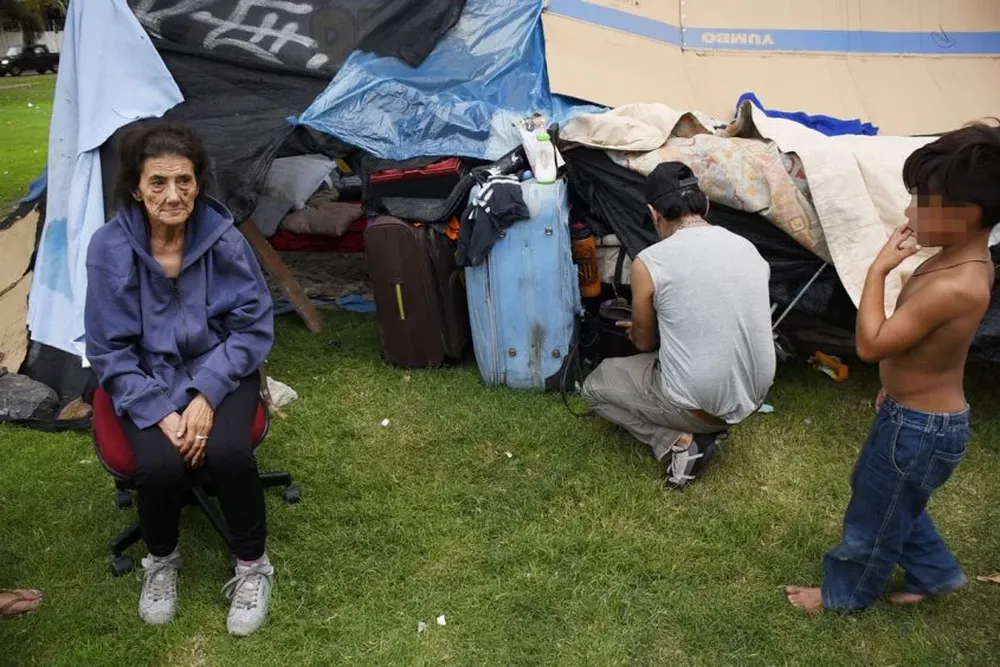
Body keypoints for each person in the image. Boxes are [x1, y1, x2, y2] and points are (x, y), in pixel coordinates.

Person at [785, 123, 1000, 615]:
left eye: (922, 201)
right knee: (886, 496)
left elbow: (872, 345)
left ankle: (844, 596)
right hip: (914, 416)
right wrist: (900, 388)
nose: (908, 212)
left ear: (965, 214)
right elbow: (929, 350)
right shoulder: (960, 259)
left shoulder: (957, 285)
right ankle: (936, 572)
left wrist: (877, 270)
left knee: (872, 516)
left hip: (921, 429)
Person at [84, 121, 275, 636]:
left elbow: (252, 326)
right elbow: (109, 350)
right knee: (159, 467)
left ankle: (253, 567)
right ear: (135, 188)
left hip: (222, 367)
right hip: (143, 378)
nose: (174, 195)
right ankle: (161, 560)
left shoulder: (222, 238)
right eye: (158, 183)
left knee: (230, 452)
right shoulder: (108, 248)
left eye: (184, 181)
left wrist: (206, 395)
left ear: (198, 183)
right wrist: (161, 412)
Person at [581, 162, 776, 488]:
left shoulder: (651, 262)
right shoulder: (748, 248)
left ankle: (683, 441)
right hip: (753, 393)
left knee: (595, 387)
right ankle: (699, 424)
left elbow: (643, 343)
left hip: (700, 404)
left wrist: (641, 327)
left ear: (654, 213)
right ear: (706, 205)